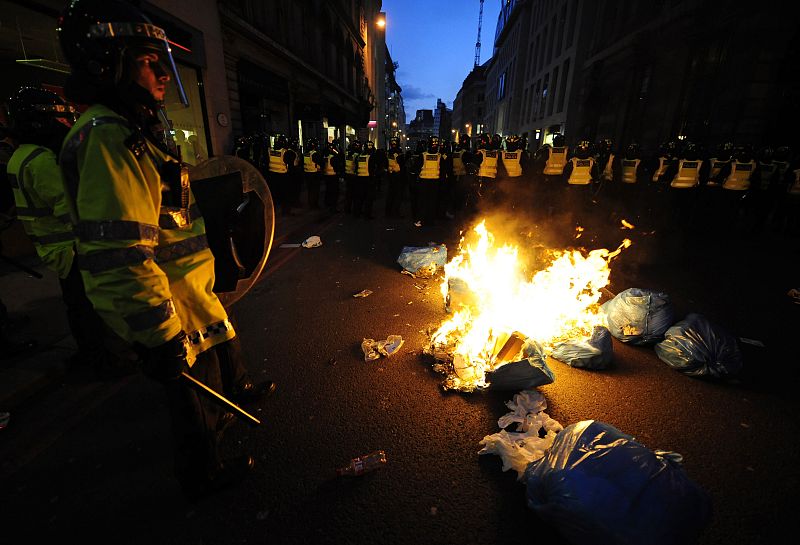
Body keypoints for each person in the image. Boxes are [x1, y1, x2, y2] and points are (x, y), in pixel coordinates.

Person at [57, 0, 273, 499]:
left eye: (162, 60)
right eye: (145, 59)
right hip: (167, 304)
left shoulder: (134, 132)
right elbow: (120, 257)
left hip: (191, 289)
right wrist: (157, 334)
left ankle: (226, 416)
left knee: (216, 375)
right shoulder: (108, 140)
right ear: (106, 63)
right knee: (192, 405)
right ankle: (202, 476)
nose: (160, 71)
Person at [5, 85, 139, 377]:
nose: (66, 126)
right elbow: (71, 209)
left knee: (79, 306)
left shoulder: (23, 155)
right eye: (61, 120)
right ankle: (99, 361)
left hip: (57, 249)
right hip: (70, 248)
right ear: (40, 121)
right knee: (89, 308)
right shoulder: (41, 161)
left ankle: (93, 357)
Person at [562, 139, 600, 232]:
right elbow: (596, 177)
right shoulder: (592, 162)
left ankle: (571, 228)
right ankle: (581, 228)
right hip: (585, 189)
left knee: (572, 209)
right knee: (582, 209)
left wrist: (564, 186)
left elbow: (565, 174)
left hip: (573, 189)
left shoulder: (572, 161)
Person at [268, 134, 297, 216]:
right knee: (286, 195)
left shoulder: (270, 150)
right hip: (283, 176)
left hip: (272, 176)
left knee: (274, 195)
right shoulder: (285, 152)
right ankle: (286, 212)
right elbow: (291, 165)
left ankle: (272, 212)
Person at [384, 136, 406, 218]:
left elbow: (386, 164)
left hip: (390, 175)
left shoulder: (388, 152)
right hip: (397, 176)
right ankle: (395, 212)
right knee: (397, 195)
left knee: (390, 195)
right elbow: (402, 165)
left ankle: (388, 212)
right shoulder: (399, 153)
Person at [321, 140, 344, 214]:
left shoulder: (325, 156)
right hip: (333, 176)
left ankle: (327, 204)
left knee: (328, 191)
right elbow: (338, 164)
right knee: (334, 192)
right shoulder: (333, 157)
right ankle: (333, 207)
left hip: (327, 175)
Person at [302, 137, 323, 210]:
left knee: (310, 190)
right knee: (315, 191)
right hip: (314, 174)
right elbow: (321, 162)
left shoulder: (305, 153)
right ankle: (314, 205)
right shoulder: (315, 154)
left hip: (307, 173)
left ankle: (310, 203)